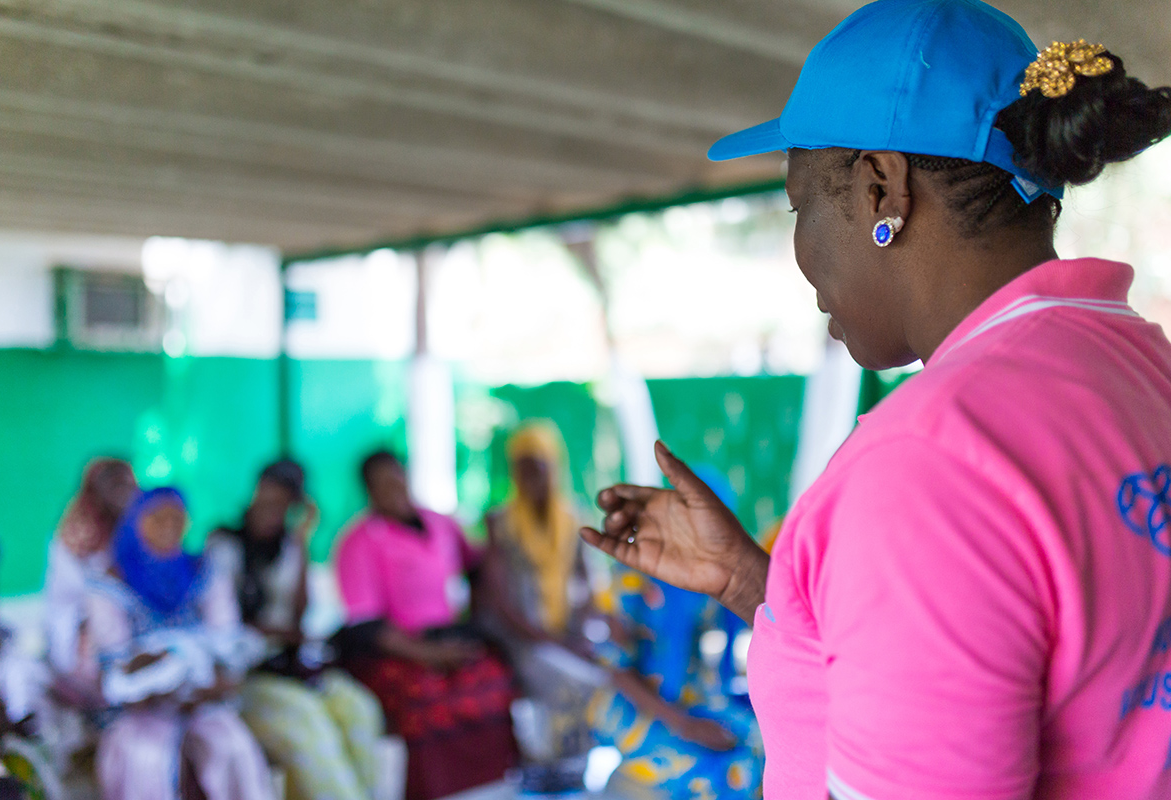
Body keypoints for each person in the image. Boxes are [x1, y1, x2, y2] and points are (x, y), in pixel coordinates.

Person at [581, 2, 1171, 799]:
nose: (802, 253)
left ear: (880, 187)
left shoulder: (927, 465)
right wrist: (763, 584)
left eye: (801, 205)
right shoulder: (1137, 363)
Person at [333, 451, 518, 800]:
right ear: (369, 491)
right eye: (381, 483)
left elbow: (476, 569)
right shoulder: (358, 541)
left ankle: (499, 787)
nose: (394, 488)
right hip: (396, 648)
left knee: (491, 676)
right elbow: (366, 625)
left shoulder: (439, 522)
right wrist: (430, 654)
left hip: (447, 636)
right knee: (426, 696)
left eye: (397, 477)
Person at [208, 459, 386, 800]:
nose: (273, 507)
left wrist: (303, 540)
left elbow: (300, 617)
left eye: (284, 501)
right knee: (310, 724)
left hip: (290, 668)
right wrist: (277, 634)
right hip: (248, 675)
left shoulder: (289, 546)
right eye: (268, 496)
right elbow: (224, 624)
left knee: (359, 710)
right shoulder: (225, 545)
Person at [84, 487, 274, 800]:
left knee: (233, 748)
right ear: (134, 524)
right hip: (141, 712)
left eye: (177, 519)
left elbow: (226, 639)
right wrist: (157, 684)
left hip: (202, 701)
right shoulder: (109, 583)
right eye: (157, 519)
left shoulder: (202, 571)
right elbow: (115, 666)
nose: (168, 527)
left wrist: (212, 683)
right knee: (148, 761)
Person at [479, 423, 598, 788]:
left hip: (560, 633)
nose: (531, 476)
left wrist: (583, 633)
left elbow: (586, 585)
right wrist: (554, 641)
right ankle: (552, 771)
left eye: (539, 465)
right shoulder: (501, 523)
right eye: (523, 466)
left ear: (554, 465)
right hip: (517, 638)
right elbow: (500, 603)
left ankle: (571, 771)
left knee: (603, 672)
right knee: (573, 681)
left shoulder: (571, 518)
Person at [590, 570, 763, 800]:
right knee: (719, 772)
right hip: (640, 707)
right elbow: (617, 669)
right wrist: (683, 723)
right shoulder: (630, 577)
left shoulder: (699, 571)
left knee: (763, 743)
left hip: (695, 702)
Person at [45, 458, 138, 700]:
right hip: (82, 632)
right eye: (115, 486)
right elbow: (78, 594)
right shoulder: (74, 540)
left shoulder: (139, 529)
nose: (124, 494)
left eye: (128, 485)